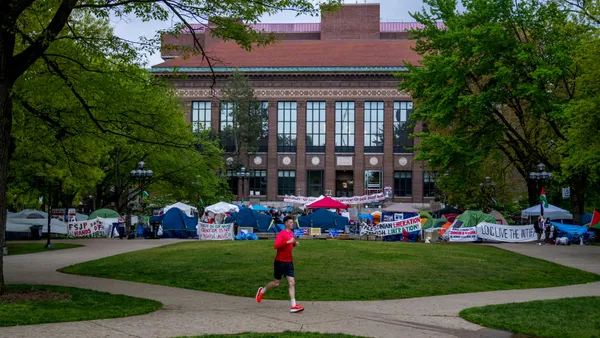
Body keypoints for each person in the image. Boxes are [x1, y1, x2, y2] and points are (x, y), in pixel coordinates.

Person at [255, 216, 304, 313]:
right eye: (290, 222)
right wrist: (287, 242)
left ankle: (293, 305)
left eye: (292, 222)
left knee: (292, 282)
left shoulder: (291, 233)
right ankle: (262, 291)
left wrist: (294, 243)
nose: (292, 224)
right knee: (276, 283)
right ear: (285, 223)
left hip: (289, 261)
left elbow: (291, 243)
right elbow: (276, 246)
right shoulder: (281, 234)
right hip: (280, 262)